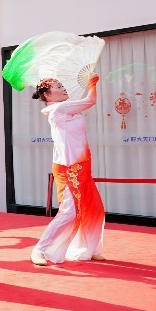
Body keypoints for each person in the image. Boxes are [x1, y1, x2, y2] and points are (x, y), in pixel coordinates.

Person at [29, 77, 106, 265]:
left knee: (94, 208)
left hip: (82, 165)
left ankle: (89, 248)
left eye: (63, 85)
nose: (63, 88)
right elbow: (90, 100)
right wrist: (92, 84)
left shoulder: (67, 108)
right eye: (58, 87)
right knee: (69, 212)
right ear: (48, 95)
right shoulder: (58, 109)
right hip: (68, 168)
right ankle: (40, 250)